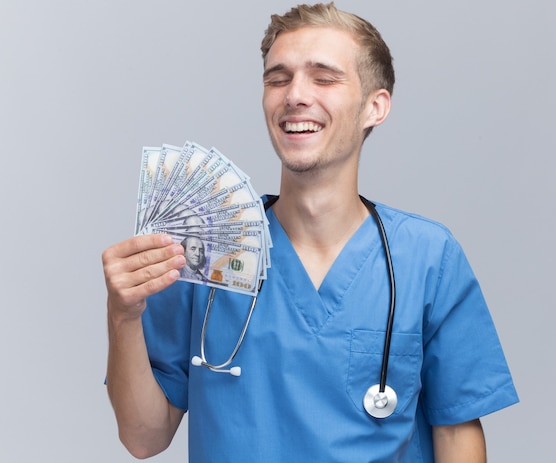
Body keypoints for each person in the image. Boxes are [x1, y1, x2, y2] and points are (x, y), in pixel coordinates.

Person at [102, 3, 518, 462]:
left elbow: (457, 435)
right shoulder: (204, 248)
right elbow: (144, 438)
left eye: (324, 77)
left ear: (374, 107)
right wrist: (123, 315)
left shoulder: (427, 259)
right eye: (277, 78)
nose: (295, 94)